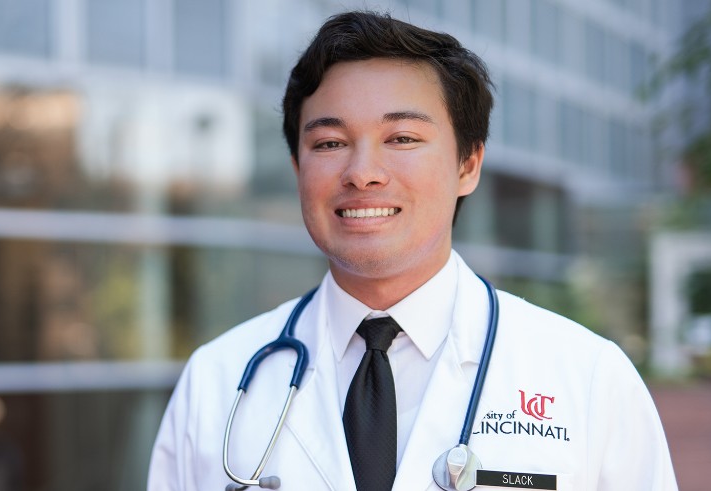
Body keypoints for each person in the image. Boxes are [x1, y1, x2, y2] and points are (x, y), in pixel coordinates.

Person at [147, 11, 677, 491]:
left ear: (468, 164)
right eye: (329, 143)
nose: (362, 173)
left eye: (401, 138)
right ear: (297, 170)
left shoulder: (586, 377)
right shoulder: (215, 382)